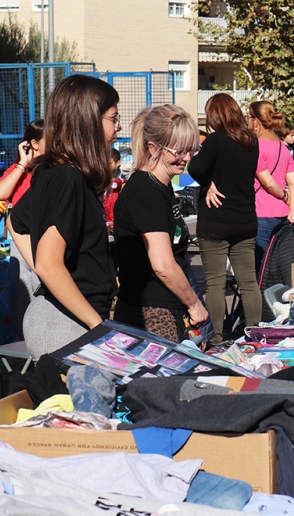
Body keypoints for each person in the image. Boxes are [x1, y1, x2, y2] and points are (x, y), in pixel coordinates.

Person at [8, 75, 120, 360]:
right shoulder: (67, 177)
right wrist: (97, 325)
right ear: (89, 121)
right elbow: (48, 263)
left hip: (64, 319)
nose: (118, 127)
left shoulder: (59, 173)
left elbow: (15, 221)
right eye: (113, 118)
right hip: (67, 323)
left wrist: (46, 270)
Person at [113, 104, 208, 342]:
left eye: (191, 149)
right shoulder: (146, 191)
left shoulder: (160, 188)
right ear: (153, 147)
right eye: (179, 151)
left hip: (164, 309)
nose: (186, 158)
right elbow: (163, 265)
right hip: (151, 315)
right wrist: (194, 304)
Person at [189, 93, 269, 343]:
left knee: (214, 284)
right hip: (245, 220)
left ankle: (217, 338)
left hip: (215, 221)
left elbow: (194, 168)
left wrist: (209, 184)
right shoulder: (250, 141)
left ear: (215, 115)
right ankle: (253, 333)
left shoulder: (215, 141)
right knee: (248, 283)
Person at [0, 118, 45, 340]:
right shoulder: (20, 170)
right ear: (33, 144)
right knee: (21, 295)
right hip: (21, 241)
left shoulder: (56, 170)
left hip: (45, 240)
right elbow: (0, 193)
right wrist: (23, 164)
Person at [247, 100, 294, 273]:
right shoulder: (282, 148)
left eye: (248, 117)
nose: (247, 122)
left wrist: (283, 196)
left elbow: (268, 183)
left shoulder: (254, 146)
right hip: (282, 215)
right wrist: (292, 209)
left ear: (256, 121)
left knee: (256, 269)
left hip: (259, 214)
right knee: (274, 269)